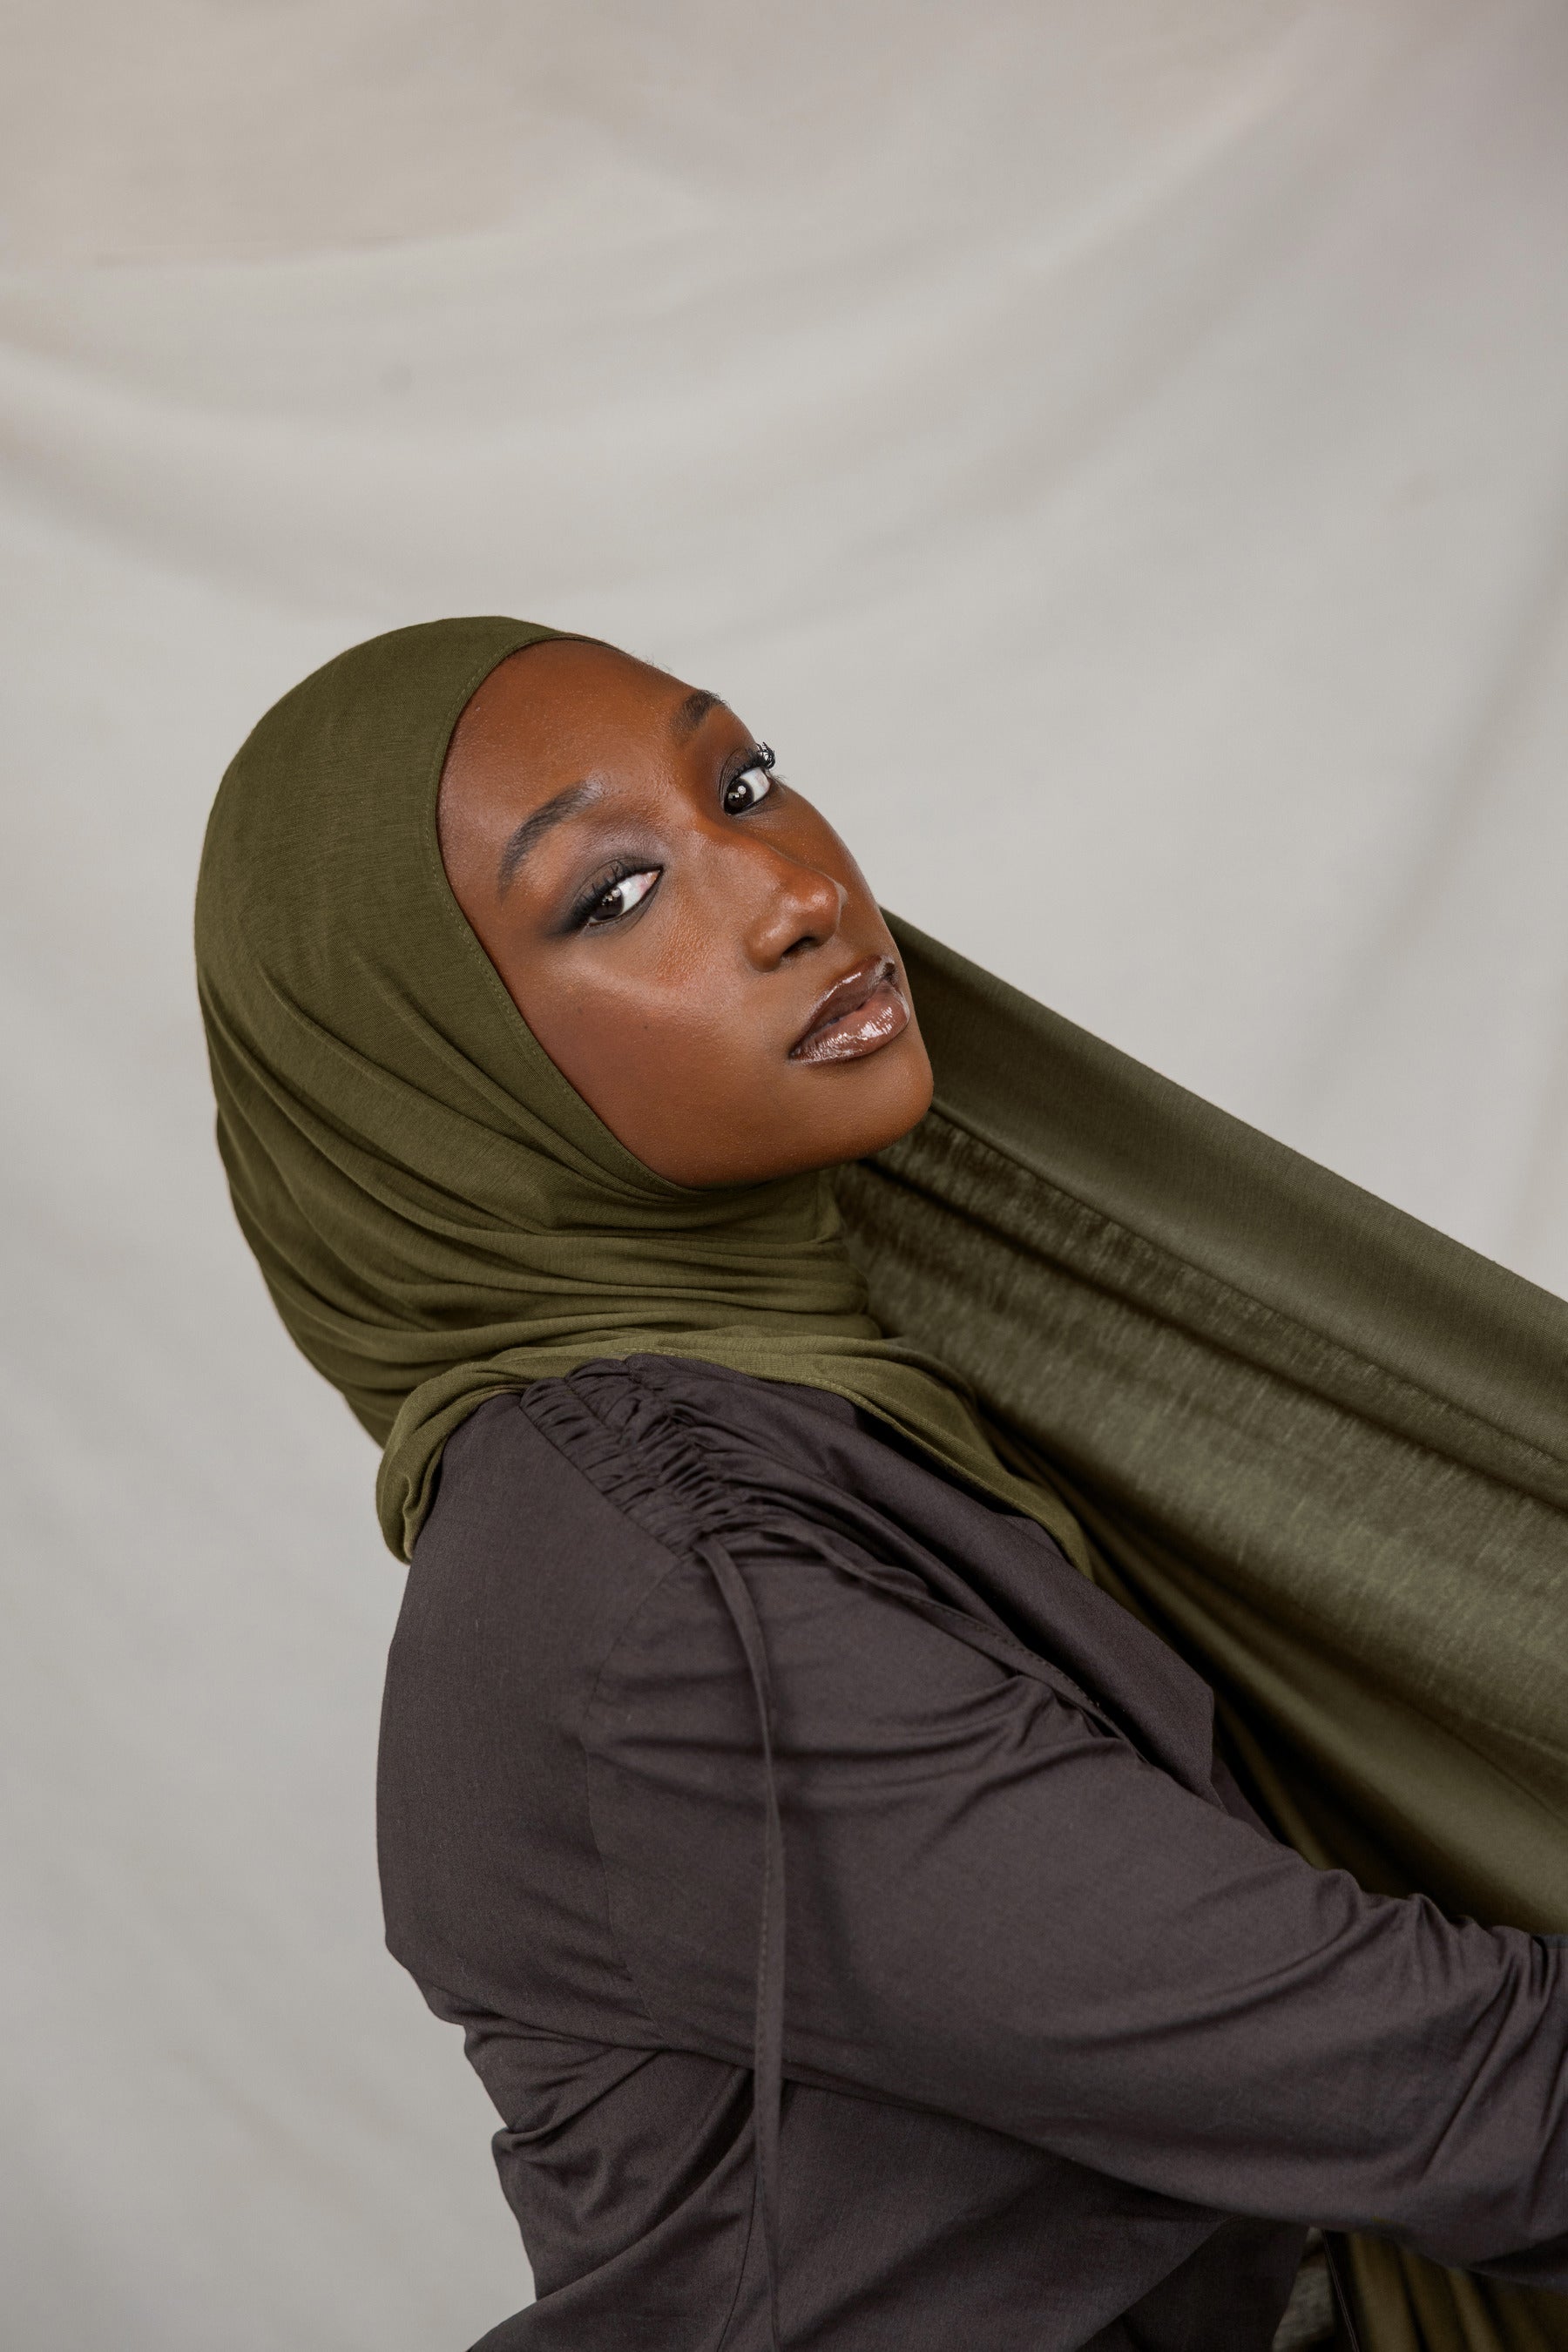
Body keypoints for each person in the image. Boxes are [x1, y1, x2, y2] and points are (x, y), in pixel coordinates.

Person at [195, 620, 1568, 2352]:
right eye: (614, 897)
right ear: (429, 1085)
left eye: (746, 784)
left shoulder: (829, 1413)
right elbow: (1464, 2097)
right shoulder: (675, 1586)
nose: (790, 893)